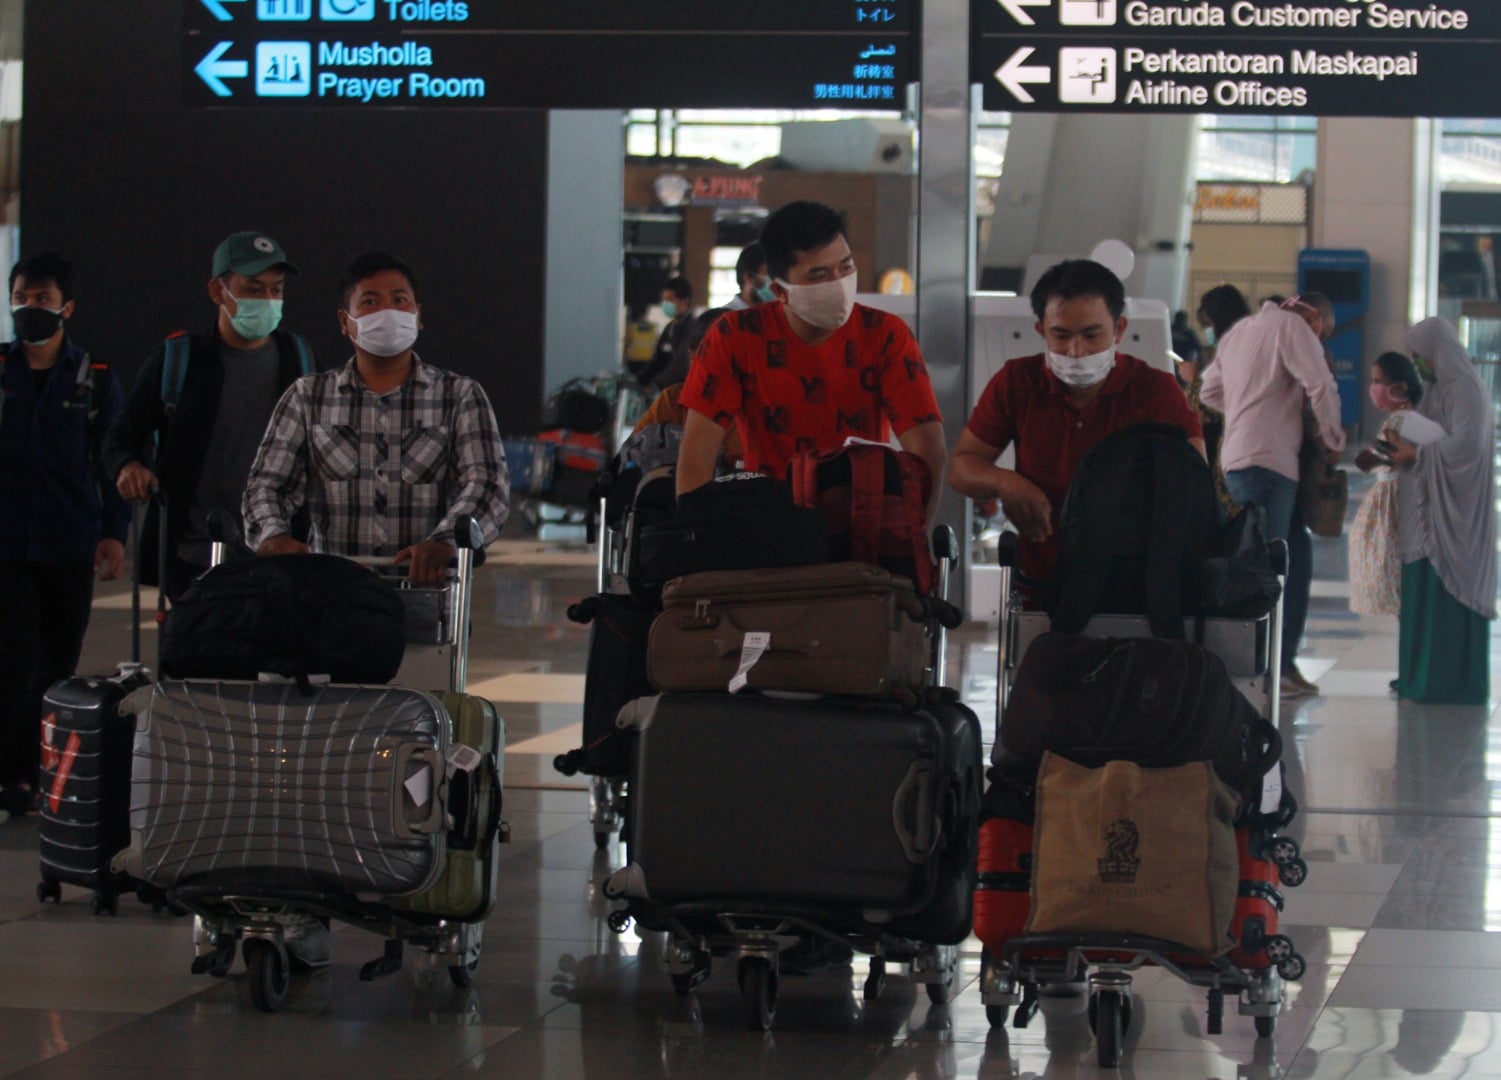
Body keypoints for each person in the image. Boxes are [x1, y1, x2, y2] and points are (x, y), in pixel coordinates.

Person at [242, 252, 509, 586]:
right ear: (345, 321)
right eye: (370, 301)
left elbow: (487, 484)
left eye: (400, 300)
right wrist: (272, 535)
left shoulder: (460, 396)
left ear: (418, 315)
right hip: (333, 596)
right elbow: (267, 484)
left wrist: (446, 541)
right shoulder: (308, 397)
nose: (388, 312)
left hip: (428, 596)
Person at [675, 199, 947, 520]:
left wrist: (912, 539)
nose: (838, 282)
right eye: (818, 275)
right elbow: (695, 459)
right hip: (768, 526)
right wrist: (695, 541)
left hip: (860, 526)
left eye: (845, 267)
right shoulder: (734, 337)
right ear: (780, 290)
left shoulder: (885, 335)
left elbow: (927, 452)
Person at [948, 258, 1205, 590]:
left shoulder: (1154, 390)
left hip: (1136, 585)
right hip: (1043, 582)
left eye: (1091, 335)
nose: (1077, 350)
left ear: (1119, 329)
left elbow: (1194, 477)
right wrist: (1005, 482)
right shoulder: (1017, 382)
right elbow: (962, 467)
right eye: (1061, 335)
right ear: (1041, 330)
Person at [103, 231, 316, 602]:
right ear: (219, 292)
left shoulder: (298, 359)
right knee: (204, 657)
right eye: (253, 289)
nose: (267, 300)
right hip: (193, 559)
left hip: (277, 555)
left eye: (276, 290)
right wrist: (128, 466)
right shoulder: (178, 361)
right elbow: (121, 437)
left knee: (270, 658)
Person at [0, 252, 129, 819]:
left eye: (43, 300)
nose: (32, 309)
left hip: (68, 545)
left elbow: (113, 461)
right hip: (5, 547)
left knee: (58, 664)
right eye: (23, 299)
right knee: (13, 659)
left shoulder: (94, 379)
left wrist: (113, 534)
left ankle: (54, 771)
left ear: (67, 308)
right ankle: (15, 777)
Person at [1200, 292, 1345, 698]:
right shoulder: (1291, 326)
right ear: (1313, 317)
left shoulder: (1239, 332)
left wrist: (1248, 409)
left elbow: (1209, 392)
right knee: (1265, 569)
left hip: (1243, 460)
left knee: (1291, 556)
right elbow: (1321, 384)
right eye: (1323, 333)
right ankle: (1262, 666)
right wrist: (1334, 438)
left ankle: (1282, 661)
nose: (1320, 341)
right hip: (1269, 463)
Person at [1387, 317, 1496, 704]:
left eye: (1420, 355)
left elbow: (1469, 447)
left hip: (1458, 515)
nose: (1417, 362)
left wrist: (1418, 452)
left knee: (1448, 597)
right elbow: (1428, 430)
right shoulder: (1436, 391)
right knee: (1420, 595)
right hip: (1428, 509)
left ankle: (1448, 682)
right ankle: (1419, 677)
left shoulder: (1468, 391)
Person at [1350, 351, 1424, 617]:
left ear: (1401, 386)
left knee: (1394, 580)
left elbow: (1380, 459)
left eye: (1379, 381)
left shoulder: (1401, 420)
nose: (1374, 388)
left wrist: (1371, 455)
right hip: (1398, 501)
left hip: (1393, 507)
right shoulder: (1407, 417)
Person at [1191, 284, 1254, 514]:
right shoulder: (1249, 341)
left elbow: (1209, 403)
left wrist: (1194, 382)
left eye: (1208, 325)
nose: (1207, 332)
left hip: (1234, 449)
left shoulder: (1235, 347)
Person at [636, 275, 699, 393]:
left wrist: (656, 384)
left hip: (681, 392)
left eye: (670, 301)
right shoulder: (670, 328)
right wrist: (640, 380)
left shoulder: (692, 329)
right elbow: (657, 360)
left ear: (685, 301)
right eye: (664, 300)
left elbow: (681, 365)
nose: (665, 305)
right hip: (665, 390)